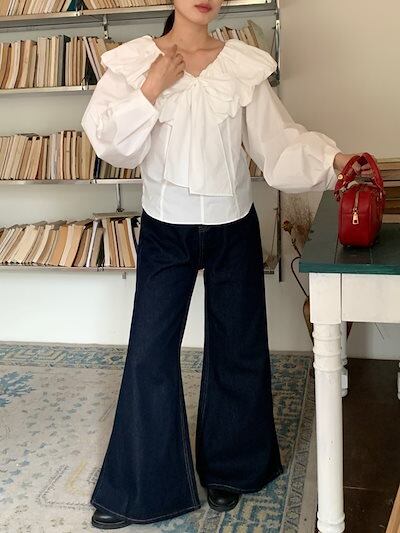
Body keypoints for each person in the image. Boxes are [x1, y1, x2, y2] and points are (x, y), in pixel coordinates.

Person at [81, 0, 375, 529]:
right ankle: (141, 486)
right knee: (150, 353)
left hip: (232, 224)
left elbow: (277, 144)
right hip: (165, 228)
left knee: (237, 347)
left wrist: (333, 160)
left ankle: (231, 470)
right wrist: (151, 88)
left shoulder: (242, 65)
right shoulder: (135, 61)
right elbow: (109, 144)